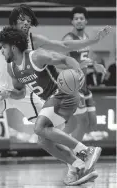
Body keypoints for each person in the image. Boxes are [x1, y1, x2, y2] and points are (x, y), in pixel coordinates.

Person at [0, 4, 111, 177]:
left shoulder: (34, 43)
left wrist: (94, 41)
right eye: (22, 20)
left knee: (45, 137)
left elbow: (64, 45)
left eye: (29, 20)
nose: (26, 23)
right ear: (13, 22)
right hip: (3, 88)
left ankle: (76, 165)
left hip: (28, 92)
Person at [0, 26, 103, 185]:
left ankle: (85, 151)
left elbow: (65, 59)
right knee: (44, 141)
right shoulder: (12, 69)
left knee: (39, 127)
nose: (1, 51)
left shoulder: (37, 56)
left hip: (63, 93)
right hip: (53, 101)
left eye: (3, 47)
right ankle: (78, 166)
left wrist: (78, 72)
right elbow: (20, 92)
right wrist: (8, 94)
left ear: (13, 47)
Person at [62, 6, 109, 182]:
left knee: (92, 122)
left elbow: (84, 60)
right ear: (72, 22)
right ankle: (73, 165)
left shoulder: (86, 38)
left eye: (82, 18)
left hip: (85, 85)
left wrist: (95, 65)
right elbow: (62, 62)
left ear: (86, 21)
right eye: (76, 19)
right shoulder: (68, 39)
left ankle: (77, 156)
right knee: (80, 124)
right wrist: (79, 66)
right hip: (73, 84)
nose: (79, 21)